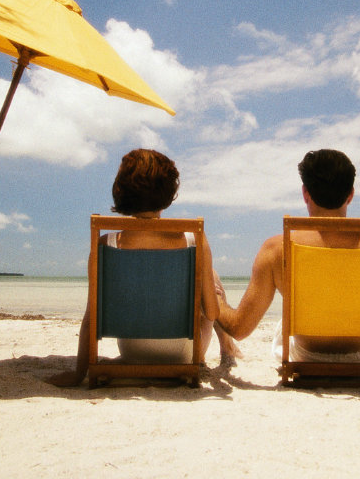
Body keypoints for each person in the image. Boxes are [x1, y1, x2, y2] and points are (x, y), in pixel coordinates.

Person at [48, 149, 239, 387]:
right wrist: (210, 295)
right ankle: (228, 345)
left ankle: (226, 342)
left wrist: (78, 374)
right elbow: (211, 314)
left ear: (121, 191)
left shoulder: (103, 244)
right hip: (185, 355)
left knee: (205, 274)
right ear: (169, 193)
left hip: (131, 352)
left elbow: (90, 319)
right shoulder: (194, 239)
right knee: (210, 274)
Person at [216, 149, 360, 362]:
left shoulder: (276, 248)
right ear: (351, 194)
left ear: (305, 193)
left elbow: (239, 328)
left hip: (307, 354)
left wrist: (214, 298)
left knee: (286, 321)